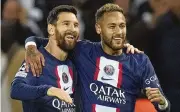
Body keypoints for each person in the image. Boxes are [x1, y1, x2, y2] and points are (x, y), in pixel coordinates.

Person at [24, 3, 170, 112]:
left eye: (122, 26)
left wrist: (162, 102)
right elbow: (43, 41)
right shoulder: (82, 50)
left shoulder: (139, 61)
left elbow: (163, 106)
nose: (119, 32)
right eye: (112, 27)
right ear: (98, 28)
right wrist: (30, 47)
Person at [10, 5, 80, 112]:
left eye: (75, 25)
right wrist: (48, 90)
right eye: (66, 24)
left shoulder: (76, 57)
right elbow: (16, 90)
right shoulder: (37, 59)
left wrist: (31, 43)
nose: (72, 29)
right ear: (51, 29)